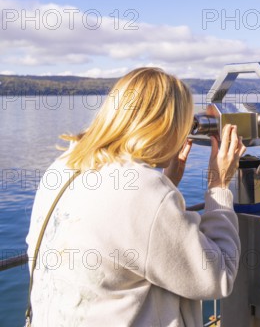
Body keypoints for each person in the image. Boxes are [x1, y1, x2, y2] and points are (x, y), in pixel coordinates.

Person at [25, 67, 245, 326]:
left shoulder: (63, 166)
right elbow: (217, 276)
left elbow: (117, 231)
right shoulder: (143, 192)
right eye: (185, 123)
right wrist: (219, 185)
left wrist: (167, 182)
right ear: (165, 125)